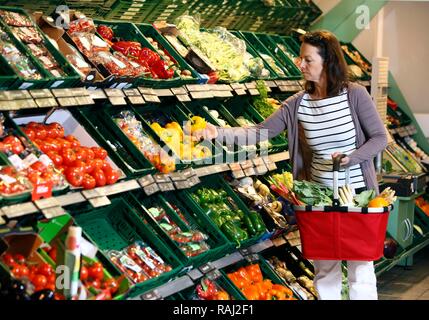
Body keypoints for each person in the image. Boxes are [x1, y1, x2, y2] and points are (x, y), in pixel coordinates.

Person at [191, 30, 388, 300]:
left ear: (327, 60)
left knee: (360, 267)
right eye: (300, 59)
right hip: (318, 196)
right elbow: (259, 132)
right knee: (324, 268)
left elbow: (380, 137)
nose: (301, 65)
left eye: (308, 59)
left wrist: (351, 158)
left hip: (357, 195)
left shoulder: (354, 95)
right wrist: (217, 133)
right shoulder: (297, 104)